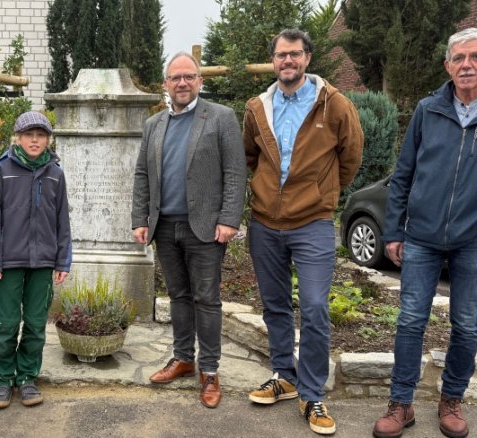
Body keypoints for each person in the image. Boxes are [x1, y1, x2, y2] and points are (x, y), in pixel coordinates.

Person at [372, 28, 477, 438]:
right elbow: (403, 176)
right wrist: (395, 231)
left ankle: (452, 399)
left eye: (475, 57)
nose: (466, 65)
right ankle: (401, 404)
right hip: (422, 237)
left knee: (466, 324)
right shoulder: (428, 108)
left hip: (475, 240)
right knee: (410, 321)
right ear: (448, 65)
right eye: (458, 59)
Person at [243, 28, 363, 435]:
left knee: (313, 307)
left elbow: (351, 157)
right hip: (264, 222)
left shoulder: (334, 105)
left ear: (308, 58)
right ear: (273, 61)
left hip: (312, 222)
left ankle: (312, 393)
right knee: (275, 305)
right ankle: (285, 376)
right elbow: (250, 156)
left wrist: (322, 193)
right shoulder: (257, 107)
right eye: (280, 55)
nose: (287, 62)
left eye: (294, 54)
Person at [131, 52, 247, 409]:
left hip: (205, 228)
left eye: (189, 77)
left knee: (206, 299)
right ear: (166, 84)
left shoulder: (221, 118)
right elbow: (142, 174)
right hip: (164, 225)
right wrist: (140, 219)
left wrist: (229, 219)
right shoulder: (154, 125)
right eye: (175, 77)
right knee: (179, 296)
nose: (182, 83)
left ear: (200, 81)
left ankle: (209, 371)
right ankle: (183, 358)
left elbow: (235, 172)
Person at [0, 111, 71, 409]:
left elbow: (62, 221)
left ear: (48, 140)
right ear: (17, 138)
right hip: (8, 262)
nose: (35, 140)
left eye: (41, 135)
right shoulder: (1, 170)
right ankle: (2, 380)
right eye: (29, 134)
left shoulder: (55, 173)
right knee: (7, 324)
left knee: (34, 323)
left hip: (43, 262)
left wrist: (62, 260)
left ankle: (27, 377)